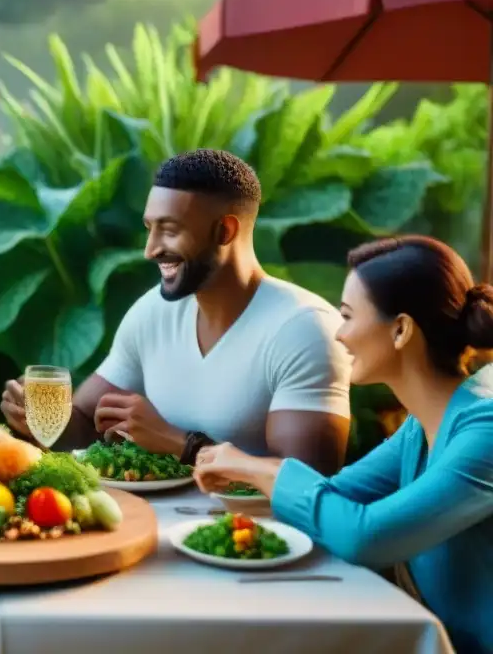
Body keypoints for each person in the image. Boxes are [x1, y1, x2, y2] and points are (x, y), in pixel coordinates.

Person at [194, 235, 493, 654]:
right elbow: (336, 495)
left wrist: (259, 467)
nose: (339, 334)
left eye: (348, 316)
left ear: (402, 330)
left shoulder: (485, 429)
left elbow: (362, 535)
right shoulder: (421, 427)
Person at [1, 149, 352, 473]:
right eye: (149, 229)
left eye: (169, 231)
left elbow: (309, 484)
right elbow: (83, 428)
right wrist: (40, 418)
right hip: (148, 526)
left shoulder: (303, 329)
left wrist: (179, 444)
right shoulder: (153, 313)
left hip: (252, 537)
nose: (151, 250)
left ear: (225, 231)